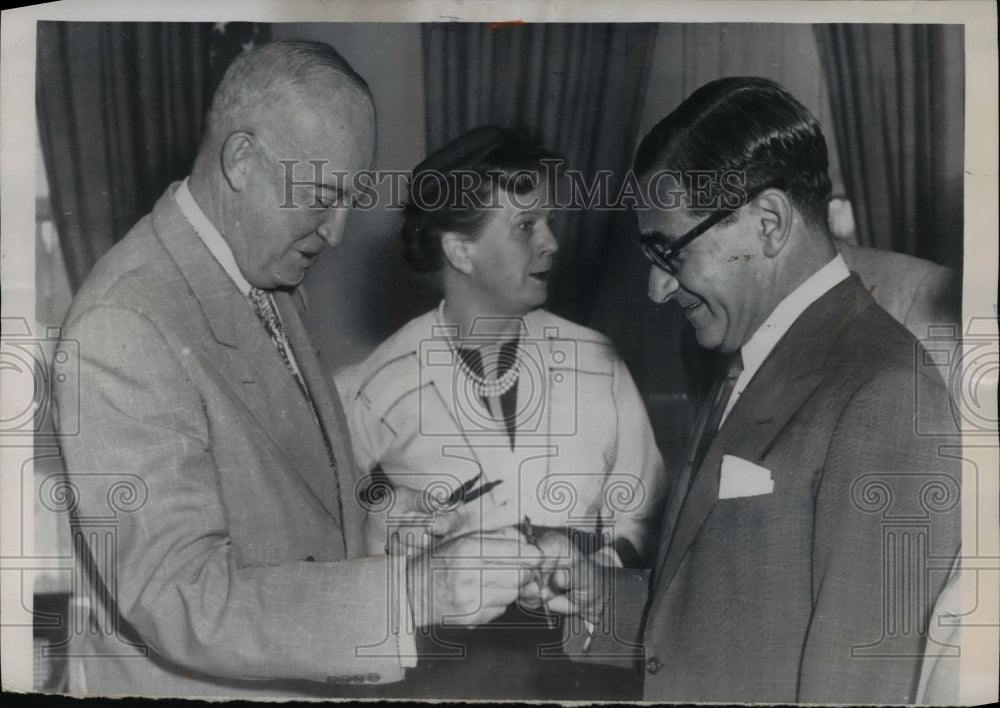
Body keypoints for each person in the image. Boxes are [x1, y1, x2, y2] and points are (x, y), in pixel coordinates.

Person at [51, 41, 543, 698]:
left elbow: (289, 493)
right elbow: (179, 598)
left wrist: (388, 521)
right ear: (241, 160)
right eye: (322, 196)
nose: (337, 232)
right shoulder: (125, 323)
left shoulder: (267, 276)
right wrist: (411, 593)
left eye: (352, 199)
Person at [544, 77, 961, 703]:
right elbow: (729, 617)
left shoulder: (888, 394)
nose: (657, 291)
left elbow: (858, 687)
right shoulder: (754, 360)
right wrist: (595, 593)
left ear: (767, 223)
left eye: (671, 254)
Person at [334, 126, 666, 699]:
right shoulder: (370, 387)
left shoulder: (597, 361)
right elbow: (338, 536)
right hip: (440, 678)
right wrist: (390, 532)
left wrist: (590, 569)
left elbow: (652, 513)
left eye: (550, 223)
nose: (551, 243)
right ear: (460, 250)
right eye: (524, 226)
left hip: (586, 667)